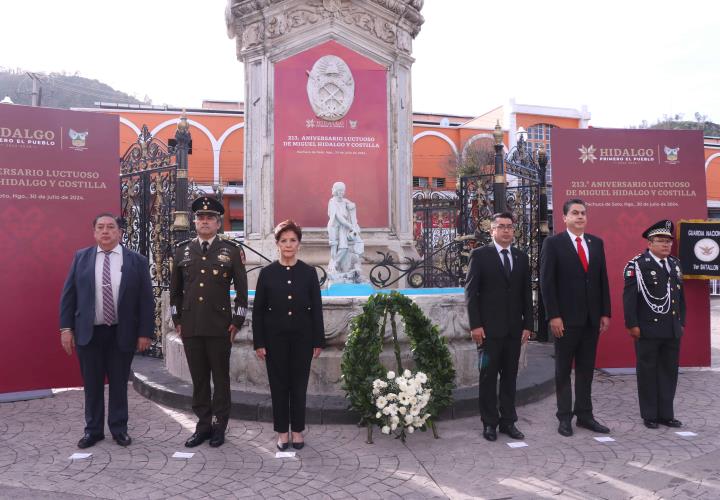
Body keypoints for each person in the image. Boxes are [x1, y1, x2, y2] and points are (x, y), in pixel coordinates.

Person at [59, 213, 154, 449]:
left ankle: (119, 429)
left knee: (119, 384)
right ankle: (93, 431)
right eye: (100, 227)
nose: (105, 231)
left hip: (121, 333)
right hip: (89, 333)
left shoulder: (137, 261)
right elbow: (69, 296)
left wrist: (145, 333)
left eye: (111, 227)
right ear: (94, 233)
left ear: (119, 232)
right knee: (92, 385)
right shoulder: (81, 258)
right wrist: (65, 328)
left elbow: (146, 301)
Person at [170, 196, 248, 448]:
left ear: (218, 223)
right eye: (200, 218)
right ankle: (202, 426)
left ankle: (219, 425)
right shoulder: (181, 250)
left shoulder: (231, 251)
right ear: (195, 222)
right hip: (191, 326)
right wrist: (177, 319)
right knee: (199, 379)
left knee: (221, 379)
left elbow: (242, 292)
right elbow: (175, 292)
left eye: (210, 218)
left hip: (219, 326)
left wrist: (237, 321)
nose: (205, 222)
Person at [540, 198, 611, 437]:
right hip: (565, 321)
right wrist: (554, 316)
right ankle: (564, 417)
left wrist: (605, 312)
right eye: (575, 213)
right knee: (563, 369)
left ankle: (585, 415)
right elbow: (547, 284)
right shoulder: (553, 243)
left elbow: (602, 280)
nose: (580, 217)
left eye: (583, 213)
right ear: (565, 218)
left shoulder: (596, 243)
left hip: (591, 320)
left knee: (586, 369)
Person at [253, 220, 325, 450]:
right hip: (275, 340)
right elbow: (258, 312)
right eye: (284, 240)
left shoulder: (309, 273)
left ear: (299, 244)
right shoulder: (267, 274)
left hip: (303, 339)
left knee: (299, 386)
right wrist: (259, 342)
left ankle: (298, 431)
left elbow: (316, 308)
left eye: (293, 240)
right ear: (277, 244)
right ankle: (282, 432)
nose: (288, 244)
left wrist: (318, 340)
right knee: (279, 386)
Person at [465, 212, 533, 442]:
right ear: (492, 230)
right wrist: (475, 325)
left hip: (514, 331)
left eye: (510, 227)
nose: (506, 231)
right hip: (487, 333)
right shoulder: (480, 255)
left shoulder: (521, 257)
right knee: (487, 377)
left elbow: (526, 293)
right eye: (501, 227)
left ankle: (508, 422)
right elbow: (471, 293)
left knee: (510, 377)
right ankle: (489, 423)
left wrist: (528, 325)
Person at [623, 220, 685, 429]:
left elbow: (680, 297)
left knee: (669, 371)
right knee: (648, 372)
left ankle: (666, 414)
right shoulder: (638, 265)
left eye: (668, 241)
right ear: (650, 243)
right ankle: (650, 415)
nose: (666, 245)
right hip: (647, 328)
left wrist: (681, 323)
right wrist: (632, 325)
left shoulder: (675, 264)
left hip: (671, 328)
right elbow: (629, 299)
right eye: (661, 241)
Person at [327, 181, 363, 278]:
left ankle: (337, 264)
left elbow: (351, 205)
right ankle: (334, 266)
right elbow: (338, 217)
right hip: (334, 227)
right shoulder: (332, 201)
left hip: (343, 228)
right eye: (339, 191)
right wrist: (350, 225)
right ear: (335, 191)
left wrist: (352, 205)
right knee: (334, 247)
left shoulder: (344, 200)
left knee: (344, 248)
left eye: (343, 191)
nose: (341, 193)